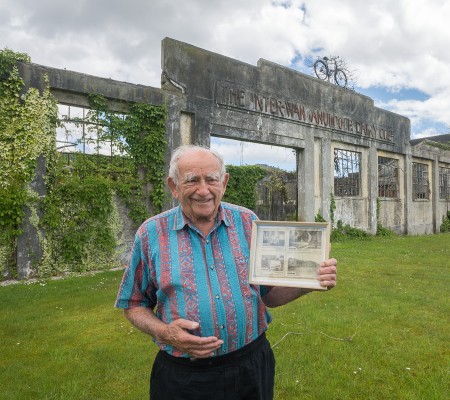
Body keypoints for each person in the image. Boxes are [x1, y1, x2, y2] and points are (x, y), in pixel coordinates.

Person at [115, 145, 337, 400]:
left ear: (224, 182)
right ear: (173, 186)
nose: (203, 190)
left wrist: (308, 282)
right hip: (184, 378)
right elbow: (133, 303)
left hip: (250, 368)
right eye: (191, 180)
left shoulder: (249, 223)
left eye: (211, 179)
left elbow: (268, 296)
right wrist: (164, 333)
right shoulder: (151, 234)